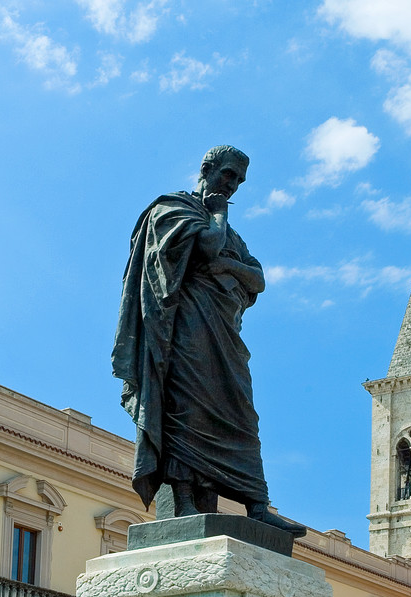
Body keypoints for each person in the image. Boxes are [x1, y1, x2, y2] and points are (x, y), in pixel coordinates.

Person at [112, 145, 302, 535]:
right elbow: (208, 246)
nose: (232, 186)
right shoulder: (172, 209)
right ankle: (183, 502)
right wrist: (217, 217)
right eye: (228, 175)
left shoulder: (230, 233)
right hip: (186, 331)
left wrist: (230, 265)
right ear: (207, 169)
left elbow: (259, 278)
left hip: (225, 337)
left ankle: (257, 505)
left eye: (239, 181)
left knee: (243, 414)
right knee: (187, 409)